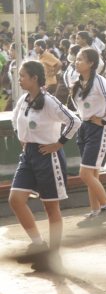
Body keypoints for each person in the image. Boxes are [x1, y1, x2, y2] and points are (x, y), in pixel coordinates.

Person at [9, 61, 81, 271]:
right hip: (29, 155)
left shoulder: (49, 101)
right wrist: (21, 137)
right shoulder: (23, 99)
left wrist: (58, 144)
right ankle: (39, 246)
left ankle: (54, 257)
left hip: (48, 156)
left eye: (22, 76)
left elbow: (74, 121)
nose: (19, 79)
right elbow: (15, 119)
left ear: (34, 79)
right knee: (15, 200)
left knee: (50, 207)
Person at [69, 48, 106, 227]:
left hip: (99, 130)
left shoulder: (99, 80)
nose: (76, 62)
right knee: (92, 173)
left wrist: (104, 119)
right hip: (85, 128)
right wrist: (85, 117)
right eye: (76, 59)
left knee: (85, 173)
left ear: (91, 63)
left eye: (80, 59)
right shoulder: (78, 83)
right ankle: (95, 212)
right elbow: (77, 104)